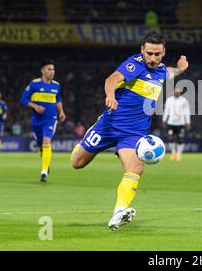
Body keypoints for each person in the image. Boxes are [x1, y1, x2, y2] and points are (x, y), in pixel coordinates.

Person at [70, 32, 188, 230]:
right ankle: (86, 139)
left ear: (163, 52)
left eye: (157, 54)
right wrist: (110, 95)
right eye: (149, 53)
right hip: (109, 125)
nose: (152, 58)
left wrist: (181, 68)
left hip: (133, 134)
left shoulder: (160, 72)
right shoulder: (135, 65)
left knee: (136, 168)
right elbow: (112, 78)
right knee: (77, 163)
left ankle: (119, 212)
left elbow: (169, 72)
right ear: (142, 50)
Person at [21, 61, 67, 182]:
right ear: (43, 71)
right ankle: (45, 162)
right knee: (41, 146)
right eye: (49, 69)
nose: (52, 72)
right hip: (37, 120)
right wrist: (35, 106)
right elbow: (23, 99)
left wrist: (61, 111)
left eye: (53, 69)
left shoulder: (56, 85)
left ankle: (44, 171)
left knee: (47, 141)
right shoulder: (34, 84)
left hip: (51, 119)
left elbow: (58, 99)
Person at [162, 88, 191, 161]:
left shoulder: (184, 100)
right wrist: (164, 120)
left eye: (178, 92)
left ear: (180, 93)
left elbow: (187, 112)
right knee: (171, 138)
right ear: (174, 92)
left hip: (180, 123)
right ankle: (173, 152)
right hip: (171, 122)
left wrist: (188, 122)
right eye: (176, 92)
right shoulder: (169, 100)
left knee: (180, 138)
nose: (177, 93)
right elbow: (166, 111)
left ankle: (178, 154)